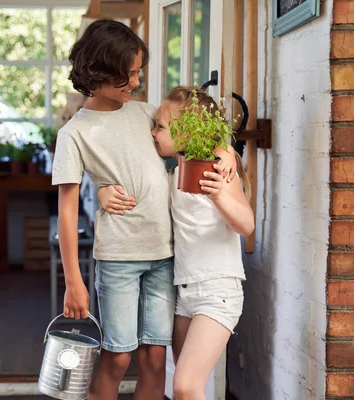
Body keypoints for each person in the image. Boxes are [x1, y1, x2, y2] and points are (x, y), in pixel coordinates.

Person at [52, 19, 236, 399]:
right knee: (118, 358)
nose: (136, 82)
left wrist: (227, 150)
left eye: (138, 73)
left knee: (155, 358)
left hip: (165, 256)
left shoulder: (146, 113)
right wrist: (74, 282)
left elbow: (197, 133)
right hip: (119, 259)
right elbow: (67, 213)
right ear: (100, 72)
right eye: (128, 75)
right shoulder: (74, 133)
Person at [98, 86, 254, 400]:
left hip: (217, 291)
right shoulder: (173, 176)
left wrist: (220, 194)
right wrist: (104, 191)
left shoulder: (217, 172)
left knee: (185, 386)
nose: (153, 132)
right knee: (186, 386)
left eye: (160, 127)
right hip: (184, 293)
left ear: (185, 132)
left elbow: (247, 225)